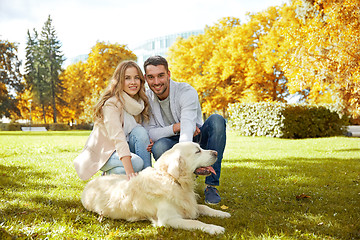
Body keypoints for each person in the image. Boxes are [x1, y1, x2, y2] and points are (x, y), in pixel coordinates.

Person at [144, 55, 226, 204]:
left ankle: (211, 186)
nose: (156, 82)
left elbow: (187, 129)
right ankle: (175, 185)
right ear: (146, 78)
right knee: (159, 145)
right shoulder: (146, 98)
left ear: (169, 74)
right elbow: (150, 132)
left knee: (217, 121)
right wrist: (176, 127)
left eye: (161, 76)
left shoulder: (186, 91)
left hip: (195, 138)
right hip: (170, 140)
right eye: (151, 77)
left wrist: (188, 158)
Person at [74, 60, 151, 181]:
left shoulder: (139, 104)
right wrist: (130, 173)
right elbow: (118, 138)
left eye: (136, 78)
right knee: (136, 163)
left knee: (140, 132)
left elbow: (138, 134)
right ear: (120, 81)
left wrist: (148, 140)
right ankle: (114, 178)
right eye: (127, 78)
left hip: (124, 151)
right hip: (105, 153)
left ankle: (148, 180)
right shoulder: (111, 105)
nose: (133, 82)